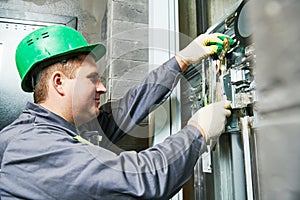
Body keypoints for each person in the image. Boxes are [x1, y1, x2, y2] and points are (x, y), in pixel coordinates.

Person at [0, 25, 232, 199]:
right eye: (92, 78)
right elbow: (142, 180)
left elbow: (129, 107)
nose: (102, 87)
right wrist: (198, 131)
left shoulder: (71, 126)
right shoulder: (32, 147)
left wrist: (181, 61)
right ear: (59, 83)